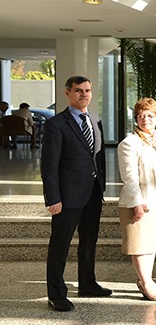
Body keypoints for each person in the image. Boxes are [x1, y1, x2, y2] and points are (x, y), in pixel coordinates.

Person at [41, 76, 110, 312]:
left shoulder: (95, 120)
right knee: (60, 246)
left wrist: (102, 186)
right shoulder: (56, 124)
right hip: (67, 196)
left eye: (87, 90)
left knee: (89, 241)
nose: (84, 94)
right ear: (67, 93)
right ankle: (56, 294)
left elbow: (99, 157)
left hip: (93, 193)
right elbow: (49, 165)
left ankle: (87, 283)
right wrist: (53, 198)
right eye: (78, 90)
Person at [118, 98, 156, 301]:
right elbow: (129, 178)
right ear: (136, 119)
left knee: (151, 243)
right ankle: (145, 283)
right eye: (141, 115)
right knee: (140, 244)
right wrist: (137, 204)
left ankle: (147, 279)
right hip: (140, 203)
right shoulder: (129, 143)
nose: (146, 119)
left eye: (151, 115)